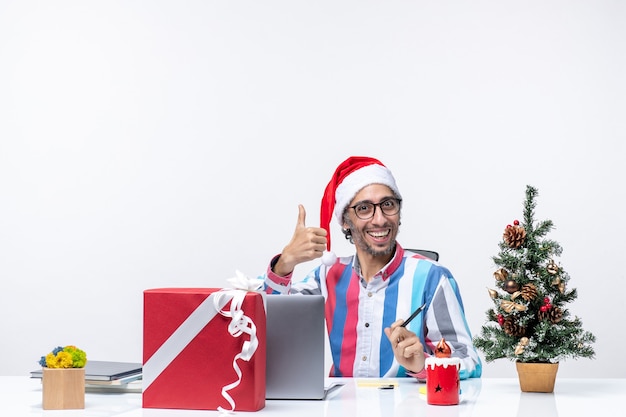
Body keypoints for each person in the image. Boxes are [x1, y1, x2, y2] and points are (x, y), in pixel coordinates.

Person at [261, 156, 482, 379]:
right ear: (345, 221)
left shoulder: (432, 278)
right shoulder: (327, 276)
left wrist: (422, 364)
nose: (379, 220)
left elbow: (469, 361)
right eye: (364, 208)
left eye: (388, 205)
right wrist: (284, 264)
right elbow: (260, 324)